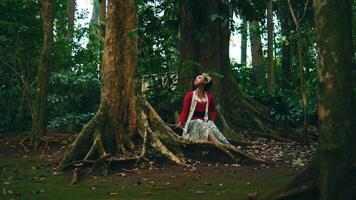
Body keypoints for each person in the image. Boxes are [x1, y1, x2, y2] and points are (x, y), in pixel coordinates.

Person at [176, 73, 232, 146]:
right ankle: (217, 144)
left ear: (205, 82)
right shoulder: (190, 95)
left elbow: (213, 111)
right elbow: (185, 111)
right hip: (192, 124)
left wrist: (212, 120)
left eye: (199, 77)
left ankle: (228, 146)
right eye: (196, 78)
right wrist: (180, 122)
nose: (196, 79)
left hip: (204, 123)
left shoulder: (209, 97)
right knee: (199, 122)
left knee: (210, 124)